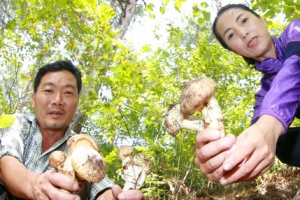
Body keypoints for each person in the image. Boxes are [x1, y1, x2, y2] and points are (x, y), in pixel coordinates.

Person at [0, 60, 144, 200]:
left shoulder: (82, 145)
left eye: (68, 93)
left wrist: (116, 197)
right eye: (49, 90)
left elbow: (102, 188)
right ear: (33, 99)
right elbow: (6, 162)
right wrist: (36, 186)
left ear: (77, 103)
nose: (57, 100)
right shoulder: (18, 123)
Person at [194, 4, 300, 185]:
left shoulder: (295, 30)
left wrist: (269, 126)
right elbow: (255, 133)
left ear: (262, 20)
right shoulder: (264, 95)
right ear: (234, 51)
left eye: (244, 20)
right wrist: (225, 159)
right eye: (231, 35)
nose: (242, 33)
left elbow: (295, 65)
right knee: (281, 145)